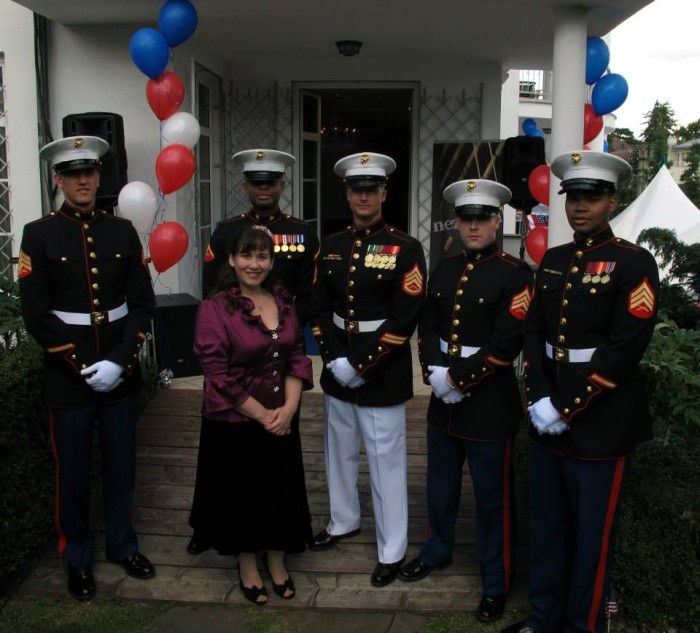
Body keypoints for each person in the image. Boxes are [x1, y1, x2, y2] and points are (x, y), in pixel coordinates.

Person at [502, 152, 660, 633]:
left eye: (592, 197)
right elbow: (533, 331)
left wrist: (564, 405)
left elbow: (623, 349)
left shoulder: (634, 263)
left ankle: (584, 625)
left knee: (592, 537)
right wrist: (541, 397)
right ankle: (543, 617)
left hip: (600, 423)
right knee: (547, 527)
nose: (580, 207)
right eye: (574, 197)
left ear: (613, 200)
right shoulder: (552, 258)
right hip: (550, 417)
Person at [18, 136, 156, 601]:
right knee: (72, 471)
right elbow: (36, 313)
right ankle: (77, 554)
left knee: (121, 465)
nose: (82, 180)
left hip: (119, 370)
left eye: (90, 172)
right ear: (58, 179)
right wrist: (83, 364)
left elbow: (141, 304)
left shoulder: (122, 231)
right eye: (73, 173)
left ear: (99, 177)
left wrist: (119, 361)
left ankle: (123, 544)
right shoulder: (38, 234)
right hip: (68, 375)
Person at [399, 180, 533, 622]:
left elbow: (506, 340)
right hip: (443, 401)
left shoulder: (516, 273)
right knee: (439, 489)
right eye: (466, 218)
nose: (473, 226)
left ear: (498, 221)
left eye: (482, 218)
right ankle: (437, 551)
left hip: (489, 405)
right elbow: (429, 323)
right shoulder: (443, 266)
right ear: (456, 222)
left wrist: (458, 377)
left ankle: (496, 581)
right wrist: (434, 373)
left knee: (493, 500)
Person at [188, 149, 319, 555]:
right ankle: (209, 528)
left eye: (271, 181)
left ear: (282, 185)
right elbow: (213, 285)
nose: (264, 188)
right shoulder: (226, 231)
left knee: (276, 469)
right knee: (224, 467)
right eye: (256, 182)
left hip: (281, 343)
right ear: (245, 186)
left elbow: (309, 292)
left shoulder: (301, 232)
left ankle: (281, 535)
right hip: (237, 342)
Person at [308, 152, 427, 587]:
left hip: (382, 371)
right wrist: (335, 358)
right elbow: (319, 308)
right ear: (347, 193)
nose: (363, 195)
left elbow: (405, 315)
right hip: (338, 366)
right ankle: (343, 520)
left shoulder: (405, 247)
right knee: (337, 452)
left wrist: (360, 364)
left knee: (385, 461)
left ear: (383, 193)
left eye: (371, 188)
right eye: (356, 189)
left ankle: (392, 548)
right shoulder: (332, 245)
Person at [192, 225, 314, 604]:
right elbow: (218, 376)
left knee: (279, 489)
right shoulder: (214, 309)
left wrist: (289, 410)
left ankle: (277, 559)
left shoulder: (284, 301)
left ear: (271, 261)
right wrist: (264, 416)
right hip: (234, 421)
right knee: (241, 494)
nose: (254, 264)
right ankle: (247, 562)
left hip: (281, 417)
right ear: (231, 259)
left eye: (262, 256)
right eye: (246, 255)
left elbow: (297, 357)